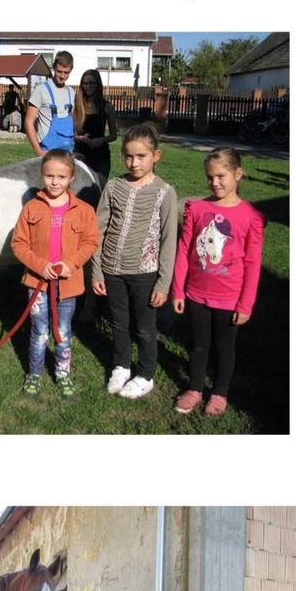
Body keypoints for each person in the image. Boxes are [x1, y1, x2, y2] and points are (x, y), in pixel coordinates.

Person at [171, 148, 265, 417]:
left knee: (224, 347)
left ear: (238, 174)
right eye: (210, 177)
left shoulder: (250, 216)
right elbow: (184, 250)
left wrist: (245, 304)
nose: (214, 183)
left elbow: (252, 264)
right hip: (196, 294)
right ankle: (195, 388)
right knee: (198, 344)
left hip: (229, 298)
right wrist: (179, 289)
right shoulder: (198, 209)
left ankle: (220, 392)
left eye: (221, 176)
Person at [90, 124, 177, 400]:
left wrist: (163, 283)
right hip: (112, 270)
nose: (134, 162)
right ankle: (121, 364)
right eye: (128, 156)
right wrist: (96, 272)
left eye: (141, 156)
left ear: (156, 156)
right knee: (118, 321)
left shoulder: (165, 192)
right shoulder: (114, 186)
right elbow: (97, 229)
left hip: (144, 273)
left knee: (144, 326)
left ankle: (146, 373)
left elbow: (169, 239)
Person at [10, 149, 99, 400]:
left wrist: (71, 263)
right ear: (42, 176)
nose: (55, 182)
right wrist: (39, 265)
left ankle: (63, 373)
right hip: (37, 283)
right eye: (49, 176)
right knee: (39, 332)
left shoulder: (83, 210)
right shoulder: (31, 208)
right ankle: (35, 374)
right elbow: (18, 243)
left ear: (72, 178)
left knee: (63, 331)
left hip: (68, 284)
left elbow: (91, 242)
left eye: (61, 176)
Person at [72, 70, 118, 185]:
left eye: (92, 83)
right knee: (80, 189)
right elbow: (71, 134)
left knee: (99, 187)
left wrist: (101, 140)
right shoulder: (76, 106)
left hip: (100, 154)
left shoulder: (107, 107)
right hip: (81, 153)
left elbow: (114, 135)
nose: (88, 86)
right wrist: (80, 138)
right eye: (85, 83)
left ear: (98, 84)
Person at [24, 52, 75, 154]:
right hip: (47, 152)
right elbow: (28, 122)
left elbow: (71, 124)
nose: (62, 76)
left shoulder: (71, 92)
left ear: (71, 70)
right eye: (59, 71)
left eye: (66, 73)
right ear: (53, 68)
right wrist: (38, 150)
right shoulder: (41, 90)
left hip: (67, 152)